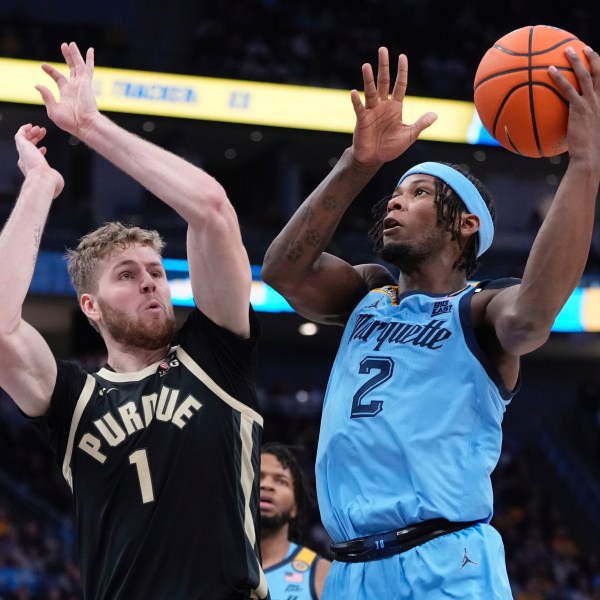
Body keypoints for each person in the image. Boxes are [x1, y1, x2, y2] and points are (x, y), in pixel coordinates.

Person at [261, 45, 600, 599]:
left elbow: (533, 317)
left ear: (465, 224)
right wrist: (359, 163)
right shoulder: (369, 291)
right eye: (394, 194)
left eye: (418, 193)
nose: (394, 204)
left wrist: (584, 165)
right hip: (349, 568)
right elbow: (283, 270)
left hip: (443, 561)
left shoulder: (481, 310)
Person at [0, 42, 268, 600]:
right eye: (126, 275)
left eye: (153, 271)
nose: (149, 281)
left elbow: (212, 209)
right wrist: (38, 187)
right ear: (90, 307)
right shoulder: (72, 400)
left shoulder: (214, 354)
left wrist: (91, 126)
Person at [260, 442, 331, 600]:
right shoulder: (210, 565)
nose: (266, 486)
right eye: (259, 477)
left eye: (281, 481)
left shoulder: (321, 573)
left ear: (295, 508)